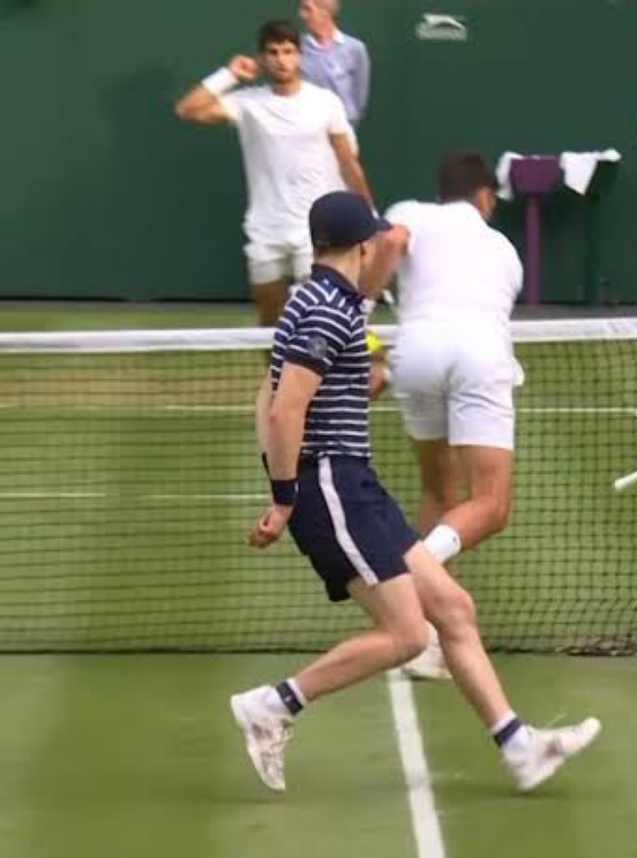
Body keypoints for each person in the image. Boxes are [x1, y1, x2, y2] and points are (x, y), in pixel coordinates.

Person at [234, 189, 600, 794]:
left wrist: (358, 386)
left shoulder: (327, 302)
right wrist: (283, 496)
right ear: (361, 245)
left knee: (453, 609)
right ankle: (273, 705)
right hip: (331, 485)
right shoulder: (326, 307)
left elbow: (268, 395)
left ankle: (520, 749)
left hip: (355, 483)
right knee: (407, 635)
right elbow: (283, 409)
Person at [357, 153, 524, 678]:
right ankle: (414, 567)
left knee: (439, 490)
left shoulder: (410, 211)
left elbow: (391, 243)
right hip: (478, 354)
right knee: (490, 506)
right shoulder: (504, 249)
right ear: (486, 198)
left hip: (415, 355)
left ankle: (423, 639)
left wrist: (355, 311)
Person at [175, 20, 374, 326]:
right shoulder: (249, 103)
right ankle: (276, 374)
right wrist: (230, 74)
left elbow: (348, 162)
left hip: (316, 229)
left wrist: (368, 213)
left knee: (318, 320)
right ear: (263, 58)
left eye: (288, 51)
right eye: (273, 52)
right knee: (269, 321)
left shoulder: (325, 103)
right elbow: (187, 110)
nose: (282, 59)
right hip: (265, 229)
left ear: (300, 56)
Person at [298, 0, 371, 129]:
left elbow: (360, 96)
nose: (301, 15)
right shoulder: (296, 47)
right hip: (305, 126)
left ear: (325, 13)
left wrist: (348, 121)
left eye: (307, 9)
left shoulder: (355, 49)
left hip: (343, 128)